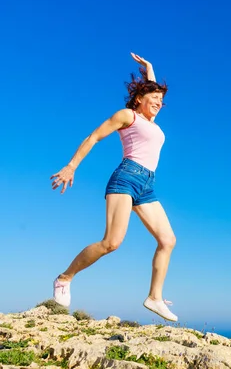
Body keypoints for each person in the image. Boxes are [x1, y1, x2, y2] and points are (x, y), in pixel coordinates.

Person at [50, 53, 178, 322]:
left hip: (147, 184)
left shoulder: (151, 121)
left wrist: (150, 69)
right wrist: (71, 166)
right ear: (139, 99)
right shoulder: (127, 116)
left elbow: (151, 93)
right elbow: (94, 136)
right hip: (126, 178)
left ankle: (154, 298)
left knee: (167, 240)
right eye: (154, 99)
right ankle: (64, 278)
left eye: (162, 101)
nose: (159, 103)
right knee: (111, 243)